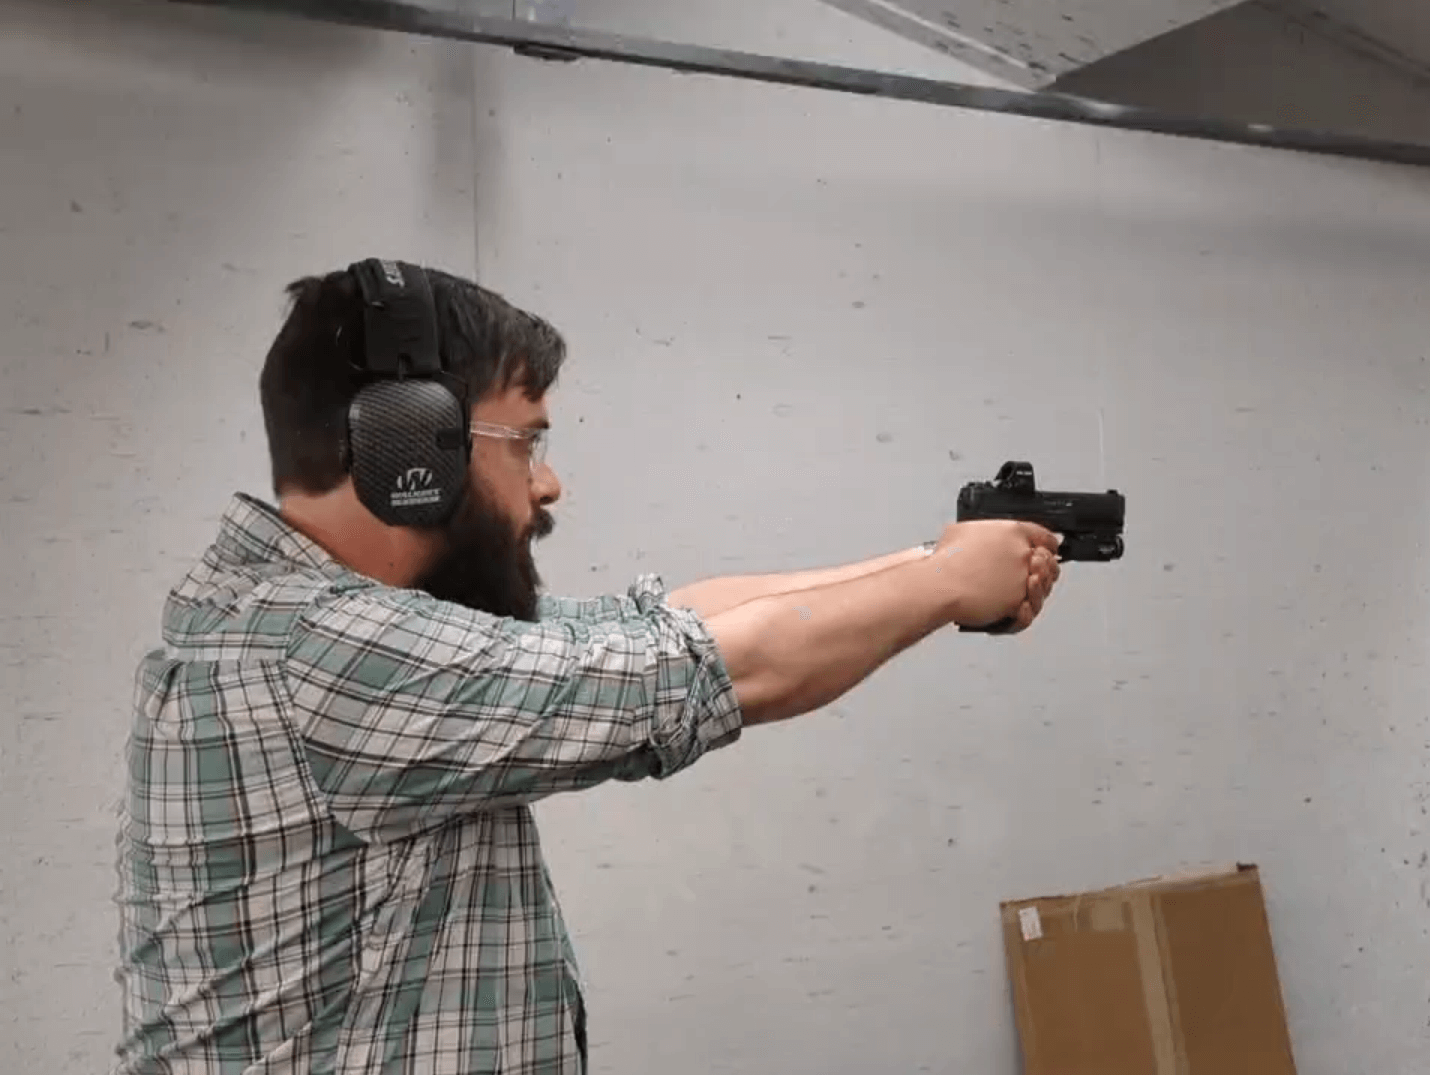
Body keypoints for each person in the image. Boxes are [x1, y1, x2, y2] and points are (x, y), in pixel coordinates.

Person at [110, 261, 1061, 1075]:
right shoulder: (322, 657)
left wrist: (934, 563)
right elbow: (697, 672)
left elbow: (655, 624)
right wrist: (944, 586)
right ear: (410, 451)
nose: (549, 479)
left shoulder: (302, 625)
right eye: (525, 440)